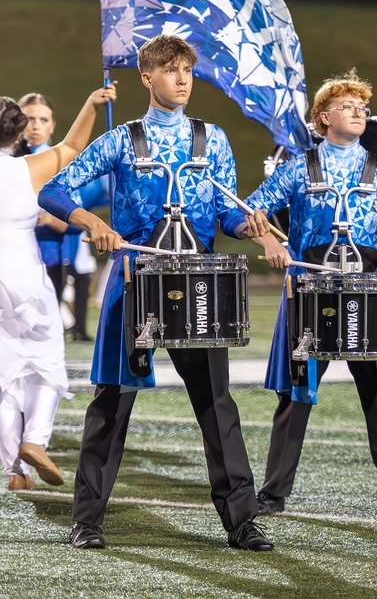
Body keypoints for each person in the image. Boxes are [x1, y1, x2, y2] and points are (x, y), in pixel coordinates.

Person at [39, 35, 277, 551]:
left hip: (198, 283)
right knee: (112, 402)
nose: (184, 79)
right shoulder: (121, 140)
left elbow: (226, 211)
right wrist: (88, 221)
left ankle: (242, 521)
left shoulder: (212, 139)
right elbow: (53, 190)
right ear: (148, 78)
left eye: (188, 70)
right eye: (172, 71)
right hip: (135, 281)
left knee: (217, 405)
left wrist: (249, 225)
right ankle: (88, 520)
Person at [246, 68, 377, 519]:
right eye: (347, 106)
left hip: (366, 291)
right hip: (312, 290)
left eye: (363, 107)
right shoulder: (298, 167)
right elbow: (254, 209)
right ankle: (273, 492)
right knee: (298, 392)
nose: (359, 112)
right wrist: (271, 240)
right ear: (323, 117)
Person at [0, 86, 114, 492]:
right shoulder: (27, 168)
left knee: (6, 374)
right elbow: (74, 145)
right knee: (46, 361)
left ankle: (15, 466)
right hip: (24, 273)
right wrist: (92, 103)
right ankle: (36, 440)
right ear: (17, 135)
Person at [17, 93, 109, 342]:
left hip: (50, 259)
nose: (35, 126)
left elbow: (72, 219)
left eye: (43, 120)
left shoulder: (59, 161)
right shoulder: (10, 160)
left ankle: (77, 328)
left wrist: (46, 218)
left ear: (52, 125)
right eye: (28, 118)